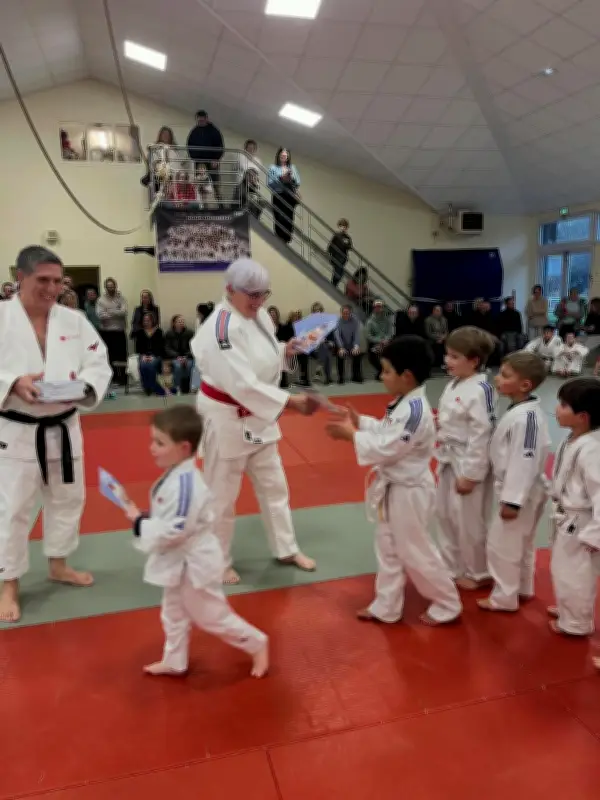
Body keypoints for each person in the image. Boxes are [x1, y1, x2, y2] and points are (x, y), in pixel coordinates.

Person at [0, 246, 112, 622]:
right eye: (42, 280)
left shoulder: (74, 320)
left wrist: (87, 387)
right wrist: (11, 382)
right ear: (20, 277)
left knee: (67, 499)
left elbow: (99, 360)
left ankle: (58, 564)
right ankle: (8, 583)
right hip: (17, 430)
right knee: (13, 508)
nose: (51, 289)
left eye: (57, 281)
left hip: (64, 426)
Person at [191, 258, 319, 585]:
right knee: (221, 496)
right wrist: (291, 401)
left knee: (275, 485)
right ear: (229, 290)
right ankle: (216, 562)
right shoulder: (220, 328)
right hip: (226, 419)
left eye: (264, 294)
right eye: (252, 295)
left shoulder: (258, 315)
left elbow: (263, 354)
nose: (259, 302)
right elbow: (241, 383)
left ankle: (286, 547)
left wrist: (287, 349)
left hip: (259, 417)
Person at [121, 406, 269, 677]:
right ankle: (175, 660)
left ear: (184, 447)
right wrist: (142, 517)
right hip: (180, 560)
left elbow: (176, 529)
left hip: (194, 562)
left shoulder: (187, 484)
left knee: (210, 615)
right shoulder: (175, 475)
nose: (151, 448)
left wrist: (139, 522)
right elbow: (170, 519)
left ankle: (256, 643)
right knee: (173, 612)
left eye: (159, 443)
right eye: (152, 440)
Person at [325, 336, 462, 626]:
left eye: (386, 371)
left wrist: (350, 435)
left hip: (409, 492)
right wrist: (361, 421)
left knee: (415, 549)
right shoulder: (403, 403)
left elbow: (390, 448)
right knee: (387, 546)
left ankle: (448, 602)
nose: (381, 376)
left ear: (406, 375)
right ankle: (387, 605)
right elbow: (389, 431)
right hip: (394, 487)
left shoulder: (415, 411)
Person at [478, 352, 550, 612]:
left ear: (525, 385)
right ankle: (522, 587)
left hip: (521, 491)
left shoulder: (527, 419)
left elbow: (524, 461)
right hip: (522, 489)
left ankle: (504, 597)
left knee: (502, 545)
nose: (497, 378)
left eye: (506, 375)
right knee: (522, 541)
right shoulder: (518, 410)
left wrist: (512, 501)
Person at [436, 327, 497, 590]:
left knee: (469, 520)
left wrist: (471, 474)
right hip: (448, 455)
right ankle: (451, 565)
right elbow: (451, 419)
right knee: (445, 514)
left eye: (454, 357)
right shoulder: (454, 383)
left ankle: (478, 572)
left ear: (474, 361)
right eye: (447, 355)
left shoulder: (481, 388)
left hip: (468, 459)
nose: (447, 361)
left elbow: (482, 433)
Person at [547, 378, 600, 651]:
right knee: (563, 570)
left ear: (582, 416)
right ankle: (569, 610)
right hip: (567, 517)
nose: (556, 409)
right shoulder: (573, 439)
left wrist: (595, 534)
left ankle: (577, 623)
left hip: (582, 523)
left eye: (563, 405)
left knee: (576, 574)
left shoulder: (592, 448)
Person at [267, 148, 301, 244]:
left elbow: (296, 184)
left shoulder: (293, 167)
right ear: (278, 156)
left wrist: (297, 194)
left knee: (289, 219)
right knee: (279, 218)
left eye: (286, 155)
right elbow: (270, 183)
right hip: (279, 195)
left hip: (290, 196)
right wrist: (282, 178)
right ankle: (279, 237)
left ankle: (286, 238)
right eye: (282, 155)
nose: (284, 157)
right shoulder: (273, 167)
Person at [164, 314, 194, 394]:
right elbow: (167, 348)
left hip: (188, 357)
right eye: (179, 321)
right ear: (174, 323)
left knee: (189, 366)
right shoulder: (169, 333)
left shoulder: (190, 333)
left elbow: (193, 347)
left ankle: (186, 387)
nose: (181, 323)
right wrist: (177, 356)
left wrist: (186, 356)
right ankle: (177, 387)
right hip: (174, 357)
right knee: (178, 366)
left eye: (182, 321)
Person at [334, 305, 362, 384]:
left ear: (350, 313)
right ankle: (341, 377)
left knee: (357, 354)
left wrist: (356, 346)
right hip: (342, 344)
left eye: (347, 313)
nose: (345, 315)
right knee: (340, 355)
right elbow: (337, 335)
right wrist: (341, 347)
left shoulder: (355, 321)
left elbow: (357, 334)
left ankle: (356, 375)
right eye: (344, 313)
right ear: (341, 313)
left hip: (352, 344)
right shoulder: (338, 321)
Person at [365, 300, 393, 379]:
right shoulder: (369, 321)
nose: (378, 309)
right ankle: (381, 370)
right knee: (373, 356)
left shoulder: (387, 320)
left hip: (386, 342)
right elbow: (368, 335)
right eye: (376, 307)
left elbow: (390, 332)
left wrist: (386, 340)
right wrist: (379, 340)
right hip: (375, 343)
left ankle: (386, 371)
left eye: (380, 307)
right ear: (374, 308)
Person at [328, 219, 353, 288]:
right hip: (336, 256)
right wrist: (330, 254)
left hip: (342, 257)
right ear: (339, 226)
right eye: (342, 226)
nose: (343, 228)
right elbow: (331, 245)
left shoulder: (347, 237)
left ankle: (334, 284)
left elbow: (350, 247)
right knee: (338, 271)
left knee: (340, 272)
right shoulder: (336, 235)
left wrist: (346, 244)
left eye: (345, 227)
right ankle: (333, 284)